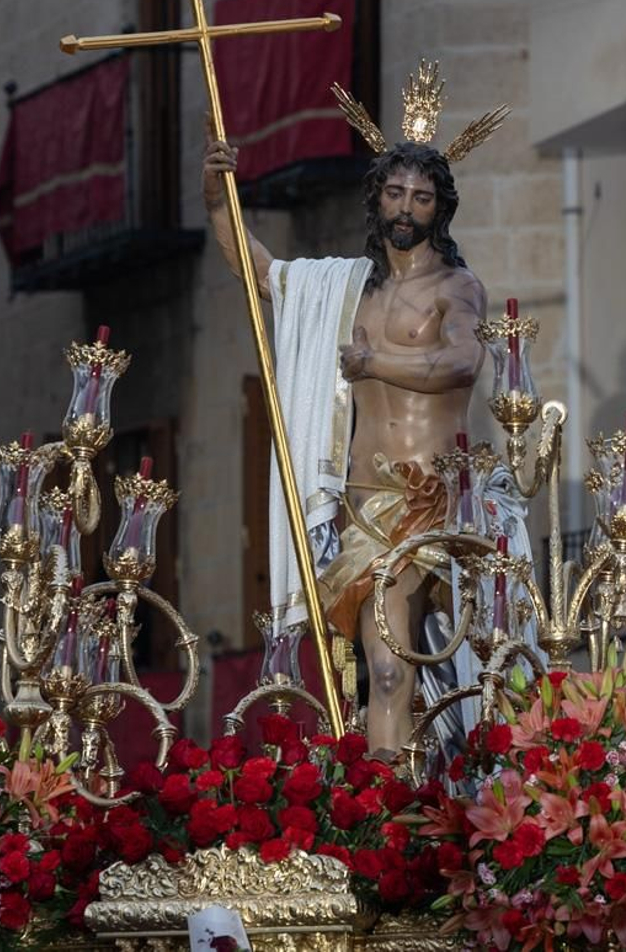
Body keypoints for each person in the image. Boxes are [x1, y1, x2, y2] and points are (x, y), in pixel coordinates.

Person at [204, 60, 508, 756]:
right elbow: (257, 271)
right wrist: (217, 195)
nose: (406, 207)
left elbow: (463, 360)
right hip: (367, 507)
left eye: (422, 197)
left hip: (437, 501)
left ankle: (437, 787)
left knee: (458, 668)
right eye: (395, 193)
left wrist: (377, 362)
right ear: (376, 201)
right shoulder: (343, 291)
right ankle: (385, 807)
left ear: (441, 208)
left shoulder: (456, 287)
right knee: (385, 666)